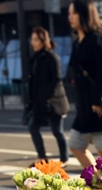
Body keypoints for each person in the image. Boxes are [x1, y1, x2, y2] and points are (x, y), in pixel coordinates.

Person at [67, 0, 102, 168]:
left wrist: (97, 100)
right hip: (83, 106)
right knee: (75, 145)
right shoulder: (76, 43)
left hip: (98, 106)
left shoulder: (96, 39)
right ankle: (97, 181)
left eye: (74, 13)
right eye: (69, 13)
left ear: (84, 15)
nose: (70, 17)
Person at [25, 26, 69, 164]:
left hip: (54, 102)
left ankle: (64, 159)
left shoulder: (51, 57)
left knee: (57, 131)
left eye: (36, 40)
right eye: (32, 40)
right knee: (33, 127)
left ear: (44, 41)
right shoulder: (35, 59)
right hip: (39, 103)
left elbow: (56, 80)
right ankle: (42, 157)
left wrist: (47, 97)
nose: (33, 43)